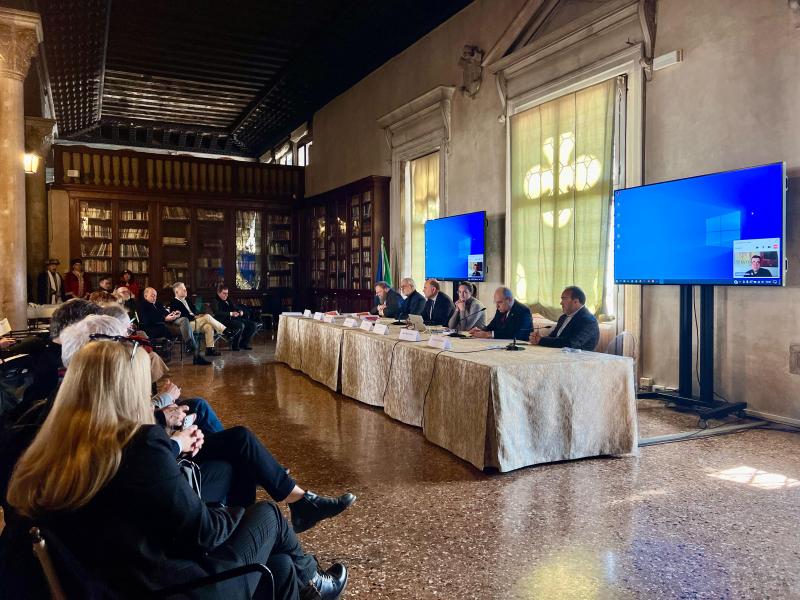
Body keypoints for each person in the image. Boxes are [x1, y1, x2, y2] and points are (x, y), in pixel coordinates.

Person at [4, 341, 349, 599]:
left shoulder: (49, 451)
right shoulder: (137, 445)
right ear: (127, 391)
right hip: (172, 587)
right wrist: (233, 512)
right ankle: (314, 581)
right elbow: (204, 533)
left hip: (116, 579)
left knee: (281, 569)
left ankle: (309, 586)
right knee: (269, 516)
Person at [138, 286, 211, 365]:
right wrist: (165, 319)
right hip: (157, 328)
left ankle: (190, 346)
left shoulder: (158, 304)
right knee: (188, 331)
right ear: (145, 296)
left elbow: (166, 314)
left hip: (168, 324)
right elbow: (147, 321)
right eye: (152, 295)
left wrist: (174, 314)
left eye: (155, 295)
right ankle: (195, 355)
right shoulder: (143, 306)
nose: (155, 297)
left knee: (185, 319)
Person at [530, 286, 600, 351]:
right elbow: (553, 337)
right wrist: (539, 338)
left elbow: (572, 344)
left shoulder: (588, 320)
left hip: (578, 361)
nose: (561, 303)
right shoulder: (563, 317)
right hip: (557, 355)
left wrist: (542, 340)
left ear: (576, 301)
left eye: (564, 299)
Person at [169, 282, 229, 357]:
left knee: (208, 326)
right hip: (187, 326)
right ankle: (225, 331)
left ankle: (209, 350)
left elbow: (195, 311)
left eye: (185, 288)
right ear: (177, 291)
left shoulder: (187, 300)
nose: (185, 290)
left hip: (196, 322)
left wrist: (198, 315)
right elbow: (181, 317)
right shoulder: (173, 303)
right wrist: (195, 316)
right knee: (207, 316)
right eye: (183, 289)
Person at [211, 285, 258, 351]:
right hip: (223, 321)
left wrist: (239, 311)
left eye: (227, 293)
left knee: (253, 325)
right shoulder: (214, 300)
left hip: (233, 319)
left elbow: (235, 307)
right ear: (218, 293)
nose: (226, 295)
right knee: (240, 325)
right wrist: (231, 313)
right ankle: (235, 345)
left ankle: (243, 343)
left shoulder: (228, 299)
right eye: (224, 293)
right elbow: (217, 312)